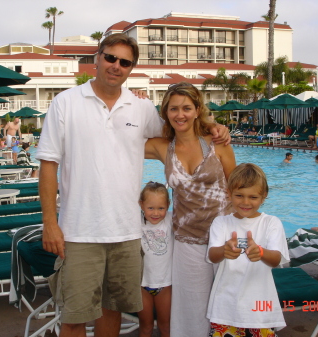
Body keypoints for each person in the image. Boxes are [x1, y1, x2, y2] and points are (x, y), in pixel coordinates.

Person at [35, 33, 232, 337]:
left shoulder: (140, 108)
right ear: (97, 59)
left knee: (112, 310)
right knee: (74, 317)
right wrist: (50, 221)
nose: (116, 65)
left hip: (127, 232)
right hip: (78, 230)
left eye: (124, 62)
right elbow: (48, 164)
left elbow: (177, 131)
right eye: (110, 57)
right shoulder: (66, 103)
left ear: (131, 67)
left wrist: (214, 127)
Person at [144, 82, 236, 337]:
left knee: (230, 304)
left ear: (197, 109)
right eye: (173, 109)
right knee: (190, 311)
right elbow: (121, 139)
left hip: (225, 237)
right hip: (187, 241)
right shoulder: (163, 147)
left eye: (186, 108)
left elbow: (237, 189)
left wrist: (214, 126)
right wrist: (138, 103)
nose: (180, 114)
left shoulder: (217, 143)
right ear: (166, 113)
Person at [206, 163, 289, 336]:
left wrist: (261, 252)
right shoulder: (221, 222)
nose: (245, 202)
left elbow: (276, 259)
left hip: (261, 308)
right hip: (225, 307)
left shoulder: (271, 223)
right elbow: (213, 256)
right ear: (229, 194)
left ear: (264, 196)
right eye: (239, 195)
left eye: (253, 197)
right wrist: (224, 250)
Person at [138, 182, 173, 337]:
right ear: (141, 205)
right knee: (145, 327)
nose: (156, 213)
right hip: (142, 285)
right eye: (150, 208)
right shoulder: (136, 222)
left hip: (164, 285)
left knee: (165, 326)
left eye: (161, 208)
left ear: (168, 206)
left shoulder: (171, 221)